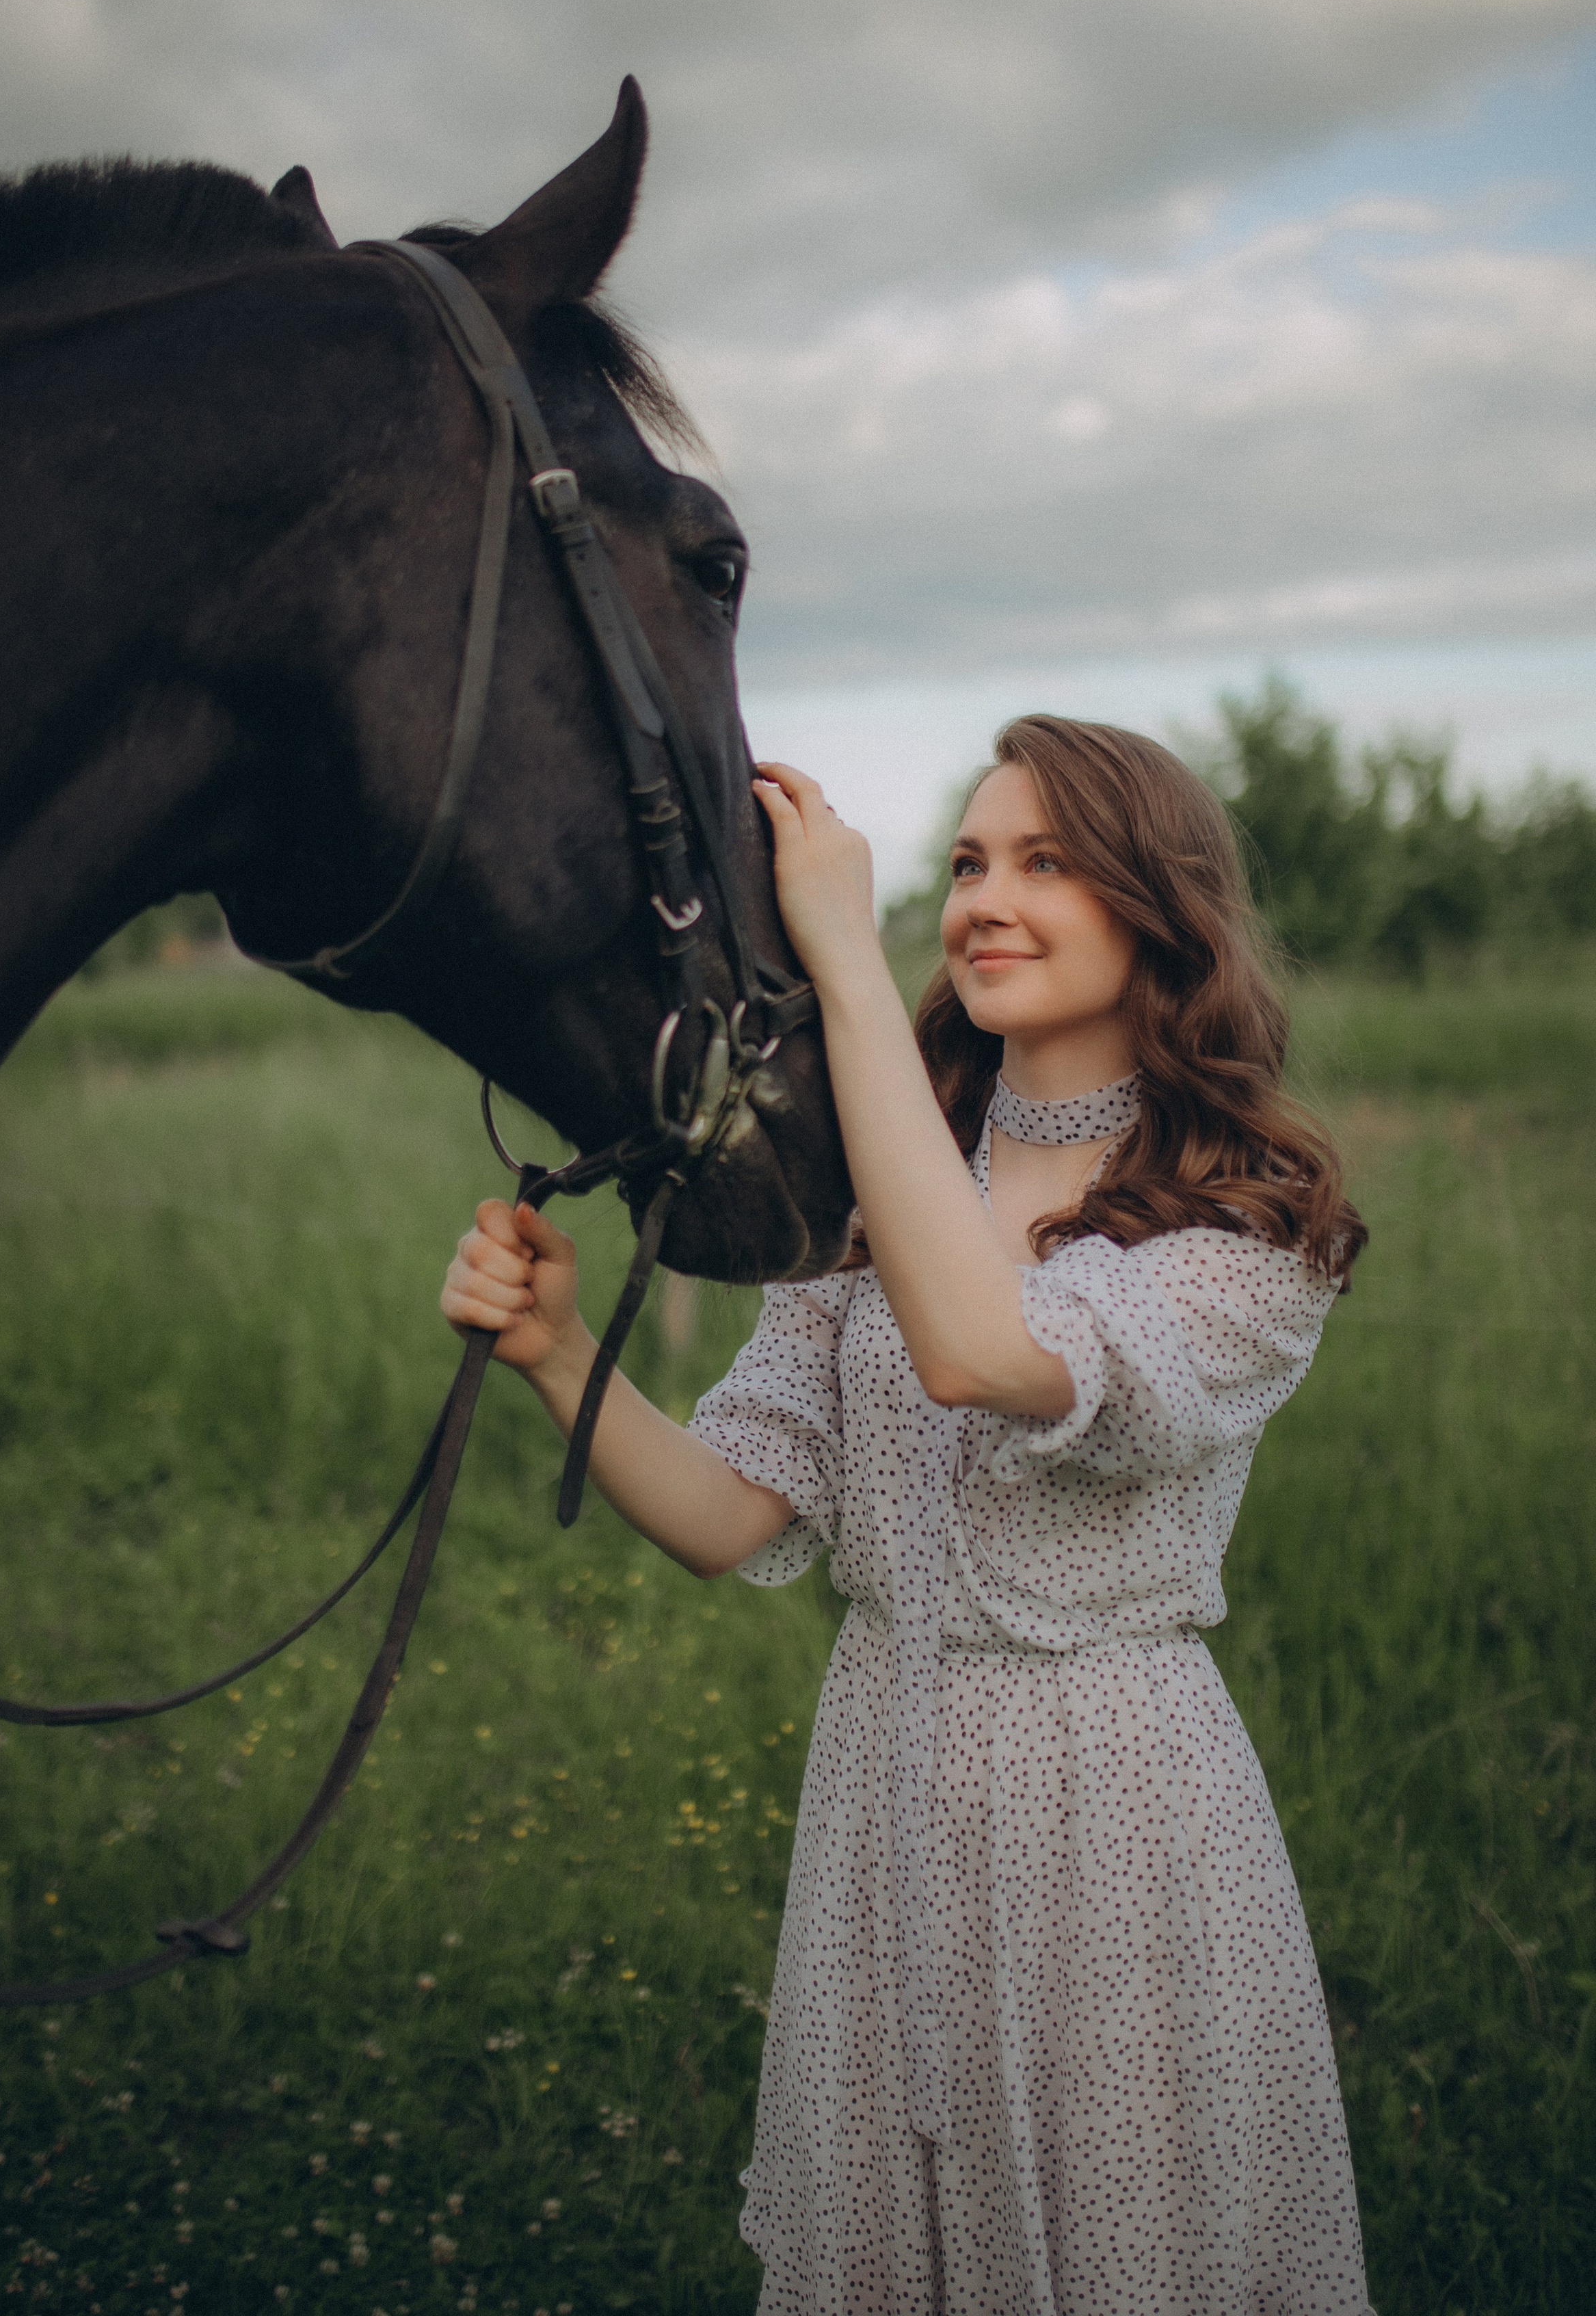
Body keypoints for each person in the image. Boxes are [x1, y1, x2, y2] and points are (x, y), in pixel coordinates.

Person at [441, 713, 1374, 2316]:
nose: (981, 900)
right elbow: (736, 1512)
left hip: (1118, 1817)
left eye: (1044, 862)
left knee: (1135, 2252)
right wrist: (556, 1355)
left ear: (1161, 909)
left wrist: (845, 968)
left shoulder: (1248, 1226)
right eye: (961, 864)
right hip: (887, 1784)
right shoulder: (886, 1180)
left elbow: (979, 1350)